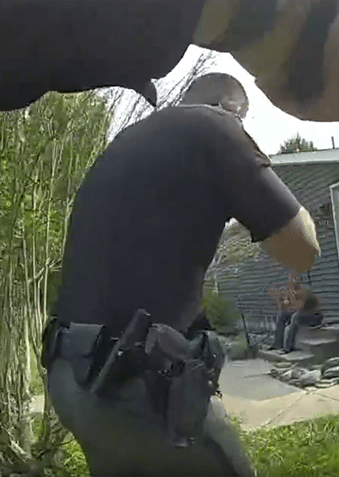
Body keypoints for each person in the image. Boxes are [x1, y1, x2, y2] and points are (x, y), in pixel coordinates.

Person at [42, 72, 320, 477]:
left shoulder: (127, 143)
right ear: (231, 109)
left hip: (70, 377)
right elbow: (301, 250)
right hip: (134, 384)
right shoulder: (217, 127)